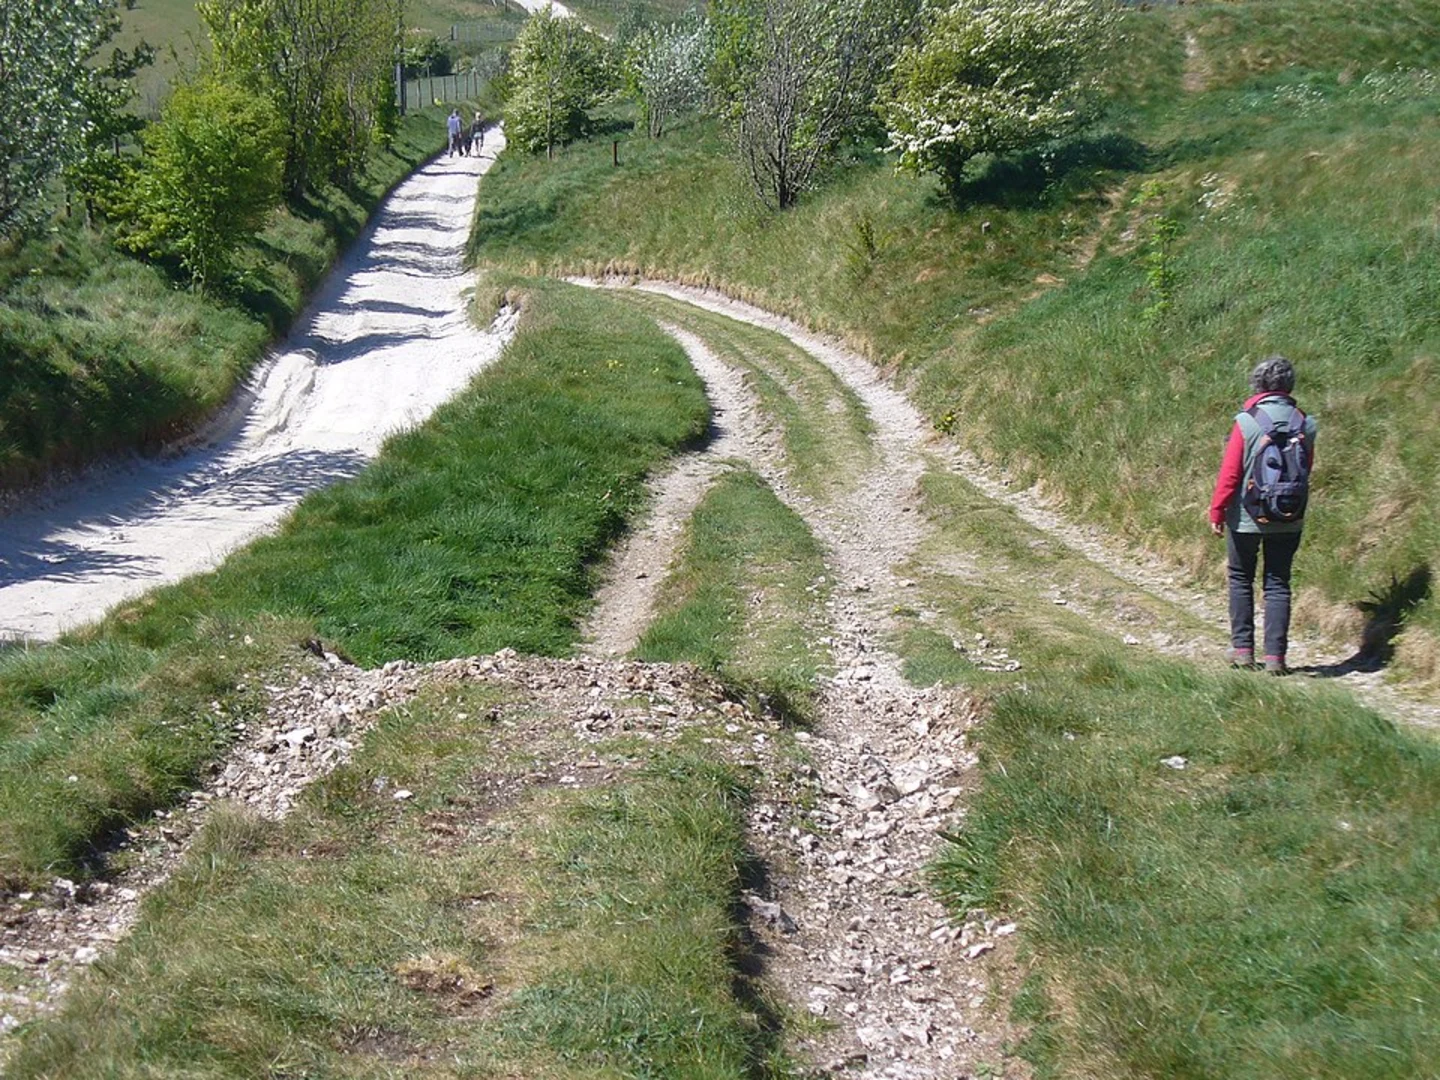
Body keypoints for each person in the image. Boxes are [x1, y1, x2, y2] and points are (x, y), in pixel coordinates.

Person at [1208, 355, 1317, 675]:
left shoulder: (1247, 421)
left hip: (1247, 516)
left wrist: (1217, 509)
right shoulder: (1305, 422)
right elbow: (1305, 469)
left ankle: (1242, 650)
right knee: (1278, 582)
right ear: (1289, 386)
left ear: (1258, 384)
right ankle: (1276, 658)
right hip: (1289, 515)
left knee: (1241, 577)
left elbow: (1230, 473)